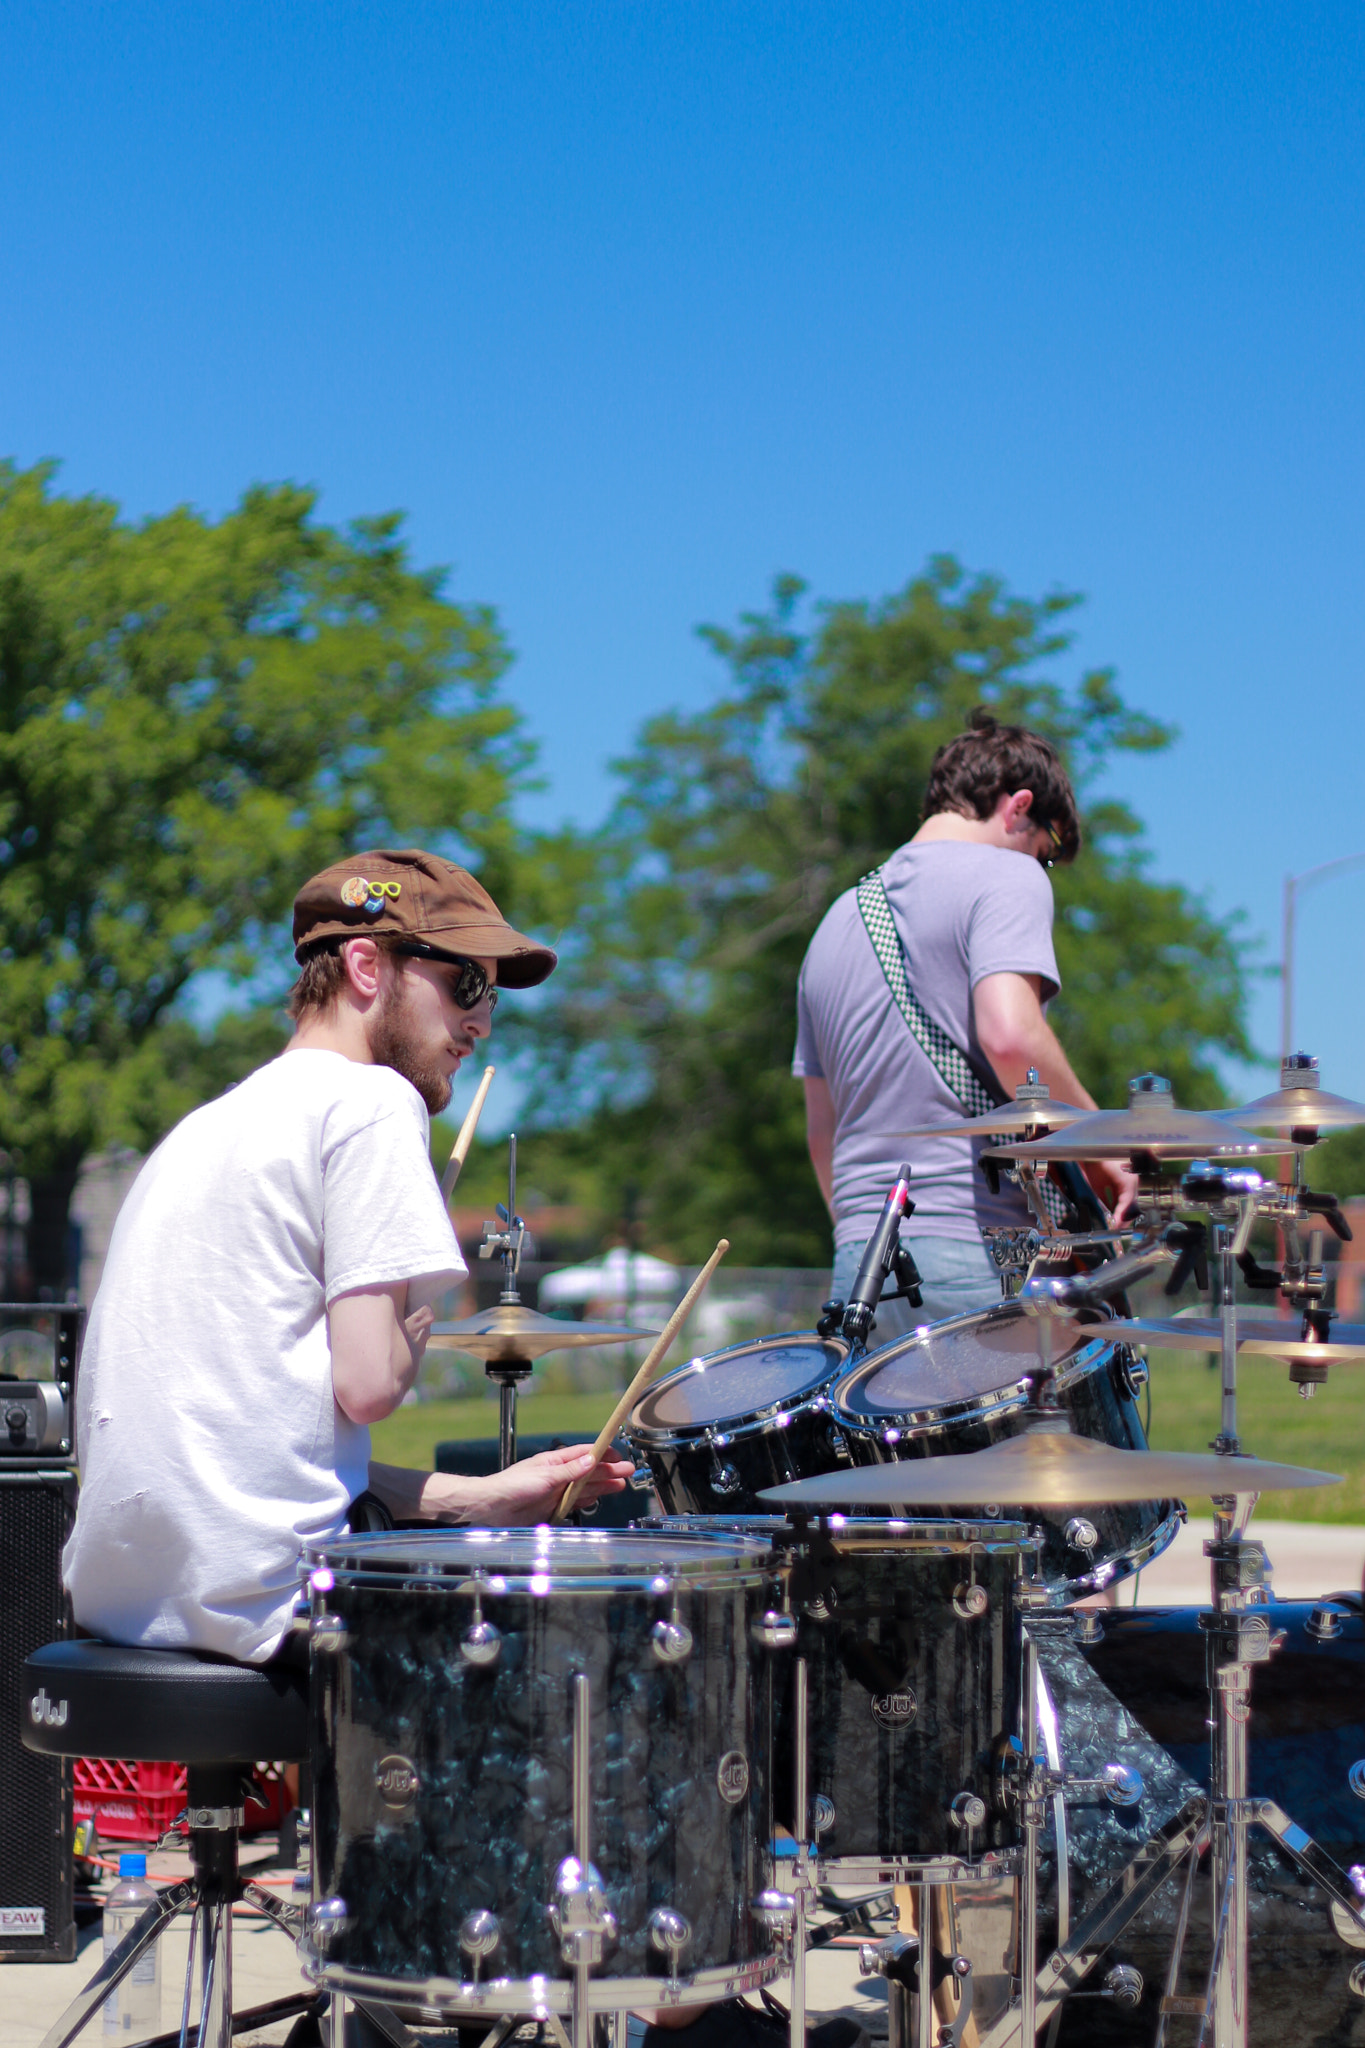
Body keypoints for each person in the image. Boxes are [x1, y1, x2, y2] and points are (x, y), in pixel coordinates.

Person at [63, 847, 632, 1667]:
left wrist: (479, 1497)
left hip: (126, 1609)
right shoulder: (371, 1101)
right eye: (465, 985)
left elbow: (257, 1454)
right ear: (366, 965)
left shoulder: (201, 1132)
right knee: (574, 1655)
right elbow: (369, 1388)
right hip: (275, 1611)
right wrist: (418, 1313)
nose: (480, 1023)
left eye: (493, 999)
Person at [793, 712, 1137, 1335]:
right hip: (979, 1256)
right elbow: (1009, 1036)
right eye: (1048, 850)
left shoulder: (833, 925)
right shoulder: (1008, 874)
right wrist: (1102, 1142)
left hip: (858, 1273)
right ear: (1019, 807)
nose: (1043, 865)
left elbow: (825, 1135)